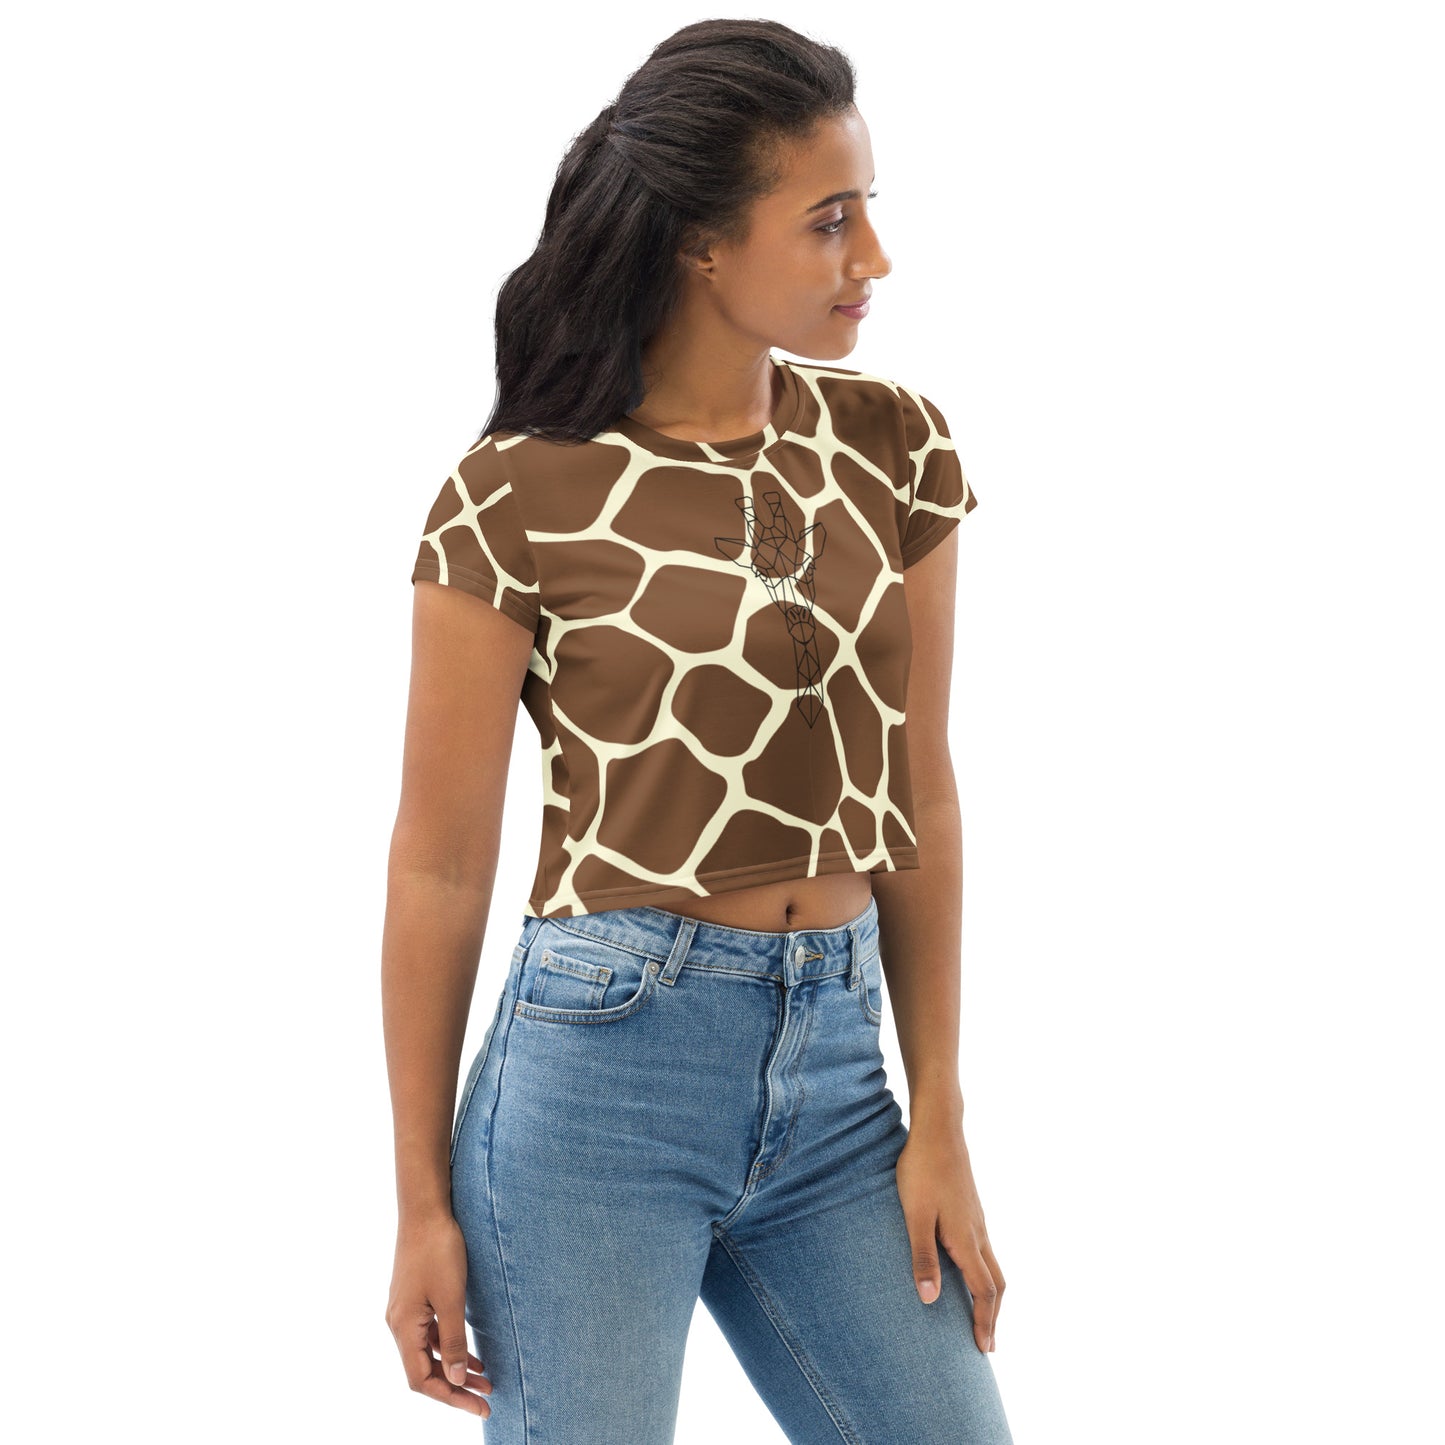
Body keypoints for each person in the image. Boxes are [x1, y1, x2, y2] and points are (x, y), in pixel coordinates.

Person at [382, 18, 1013, 1444]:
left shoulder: (893, 446)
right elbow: (437, 861)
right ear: (700, 245)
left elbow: (918, 791)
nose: (872, 259)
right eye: (829, 222)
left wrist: (942, 1112)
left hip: (839, 1076)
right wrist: (420, 1200)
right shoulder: (516, 496)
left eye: (868, 211)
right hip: (599, 1080)